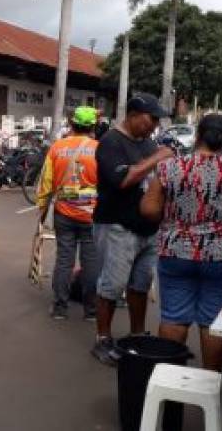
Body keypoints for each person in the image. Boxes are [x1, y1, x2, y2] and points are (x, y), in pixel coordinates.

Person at [140, 114, 222, 371]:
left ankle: (168, 381)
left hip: (177, 251)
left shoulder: (171, 167)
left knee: (174, 317)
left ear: (197, 135)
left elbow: (148, 209)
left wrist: (172, 219)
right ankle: (209, 384)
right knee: (214, 321)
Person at [90, 95, 173, 366]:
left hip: (147, 228)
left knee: (140, 284)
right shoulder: (111, 142)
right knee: (112, 285)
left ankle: (137, 334)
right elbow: (122, 179)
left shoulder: (148, 143)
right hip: (117, 225)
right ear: (135, 114)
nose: (154, 126)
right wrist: (158, 157)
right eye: (152, 119)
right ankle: (102, 339)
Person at [36, 106, 99, 320]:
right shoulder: (100, 149)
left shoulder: (57, 148)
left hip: (64, 213)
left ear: (71, 124)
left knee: (64, 260)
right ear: (93, 126)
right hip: (92, 215)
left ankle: (60, 308)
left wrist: (42, 209)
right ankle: (91, 311)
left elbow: (45, 183)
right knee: (91, 262)